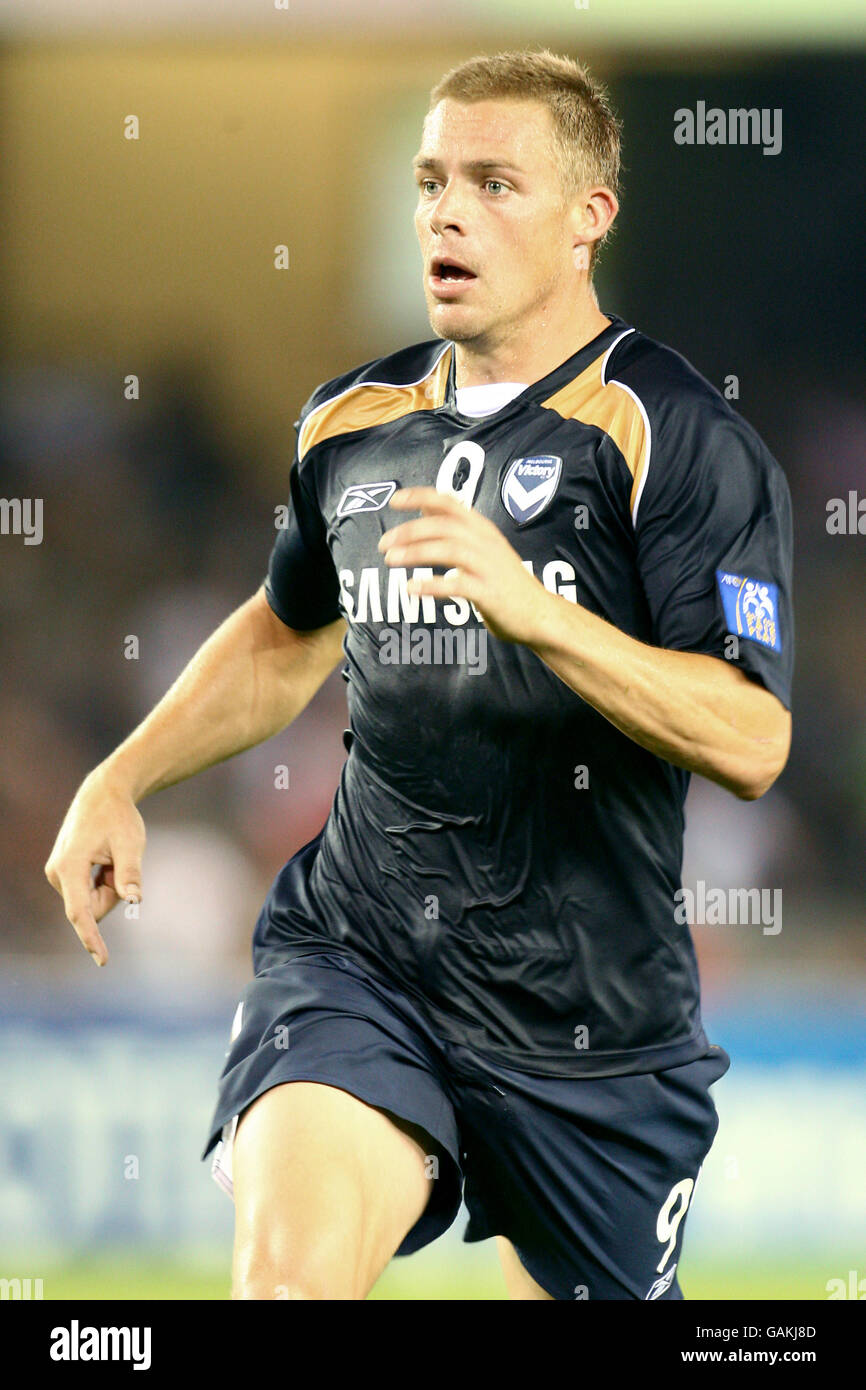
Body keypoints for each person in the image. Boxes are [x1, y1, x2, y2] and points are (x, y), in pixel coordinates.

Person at [45, 48, 794, 1300]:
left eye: (494, 182)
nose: (446, 210)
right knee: (286, 1287)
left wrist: (535, 614)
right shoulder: (349, 424)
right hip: (363, 959)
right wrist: (119, 775)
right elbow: (286, 636)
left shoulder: (674, 436)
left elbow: (750, 739)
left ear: (584, 221)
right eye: (431, 178)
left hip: (591, 1030)